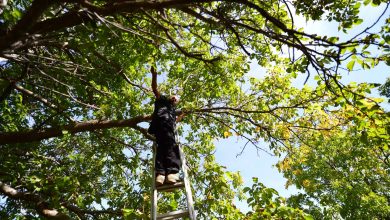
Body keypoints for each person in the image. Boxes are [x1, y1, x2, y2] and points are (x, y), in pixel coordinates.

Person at [148, 66, 183, 186]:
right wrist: (154, 75)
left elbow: (176, 120)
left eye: (176, 99)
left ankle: (161, 175)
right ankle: (172, 172)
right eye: (173, 96)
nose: (174, 98)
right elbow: (154, 88)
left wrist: (183, 114)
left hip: (161, 128)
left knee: (162, 149)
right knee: (172, 147)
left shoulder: (172, 111)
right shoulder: (162, 100)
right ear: (169, 97)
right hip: (163, 125)